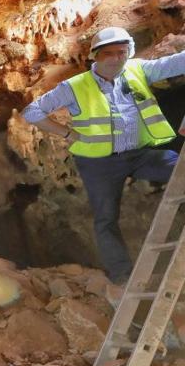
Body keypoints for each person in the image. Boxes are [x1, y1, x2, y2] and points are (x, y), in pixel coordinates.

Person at [21, 26, 185, 285]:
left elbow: (176, 63)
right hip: (99, 164)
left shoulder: (138, 70)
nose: (117, 58)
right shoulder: (75, 87)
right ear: (95, 56)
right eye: (109, 53)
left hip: (139, 154)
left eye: (122, 52)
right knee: (106, 218)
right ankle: (122, 275)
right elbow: (31, 112)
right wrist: (66, 134)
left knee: (181, 170)